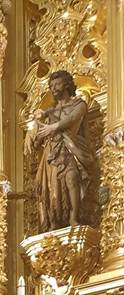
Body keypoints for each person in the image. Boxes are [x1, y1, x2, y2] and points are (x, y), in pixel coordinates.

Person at [25, 69, 95, 231]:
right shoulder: (49, 112)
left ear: (67, 84)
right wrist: (37, 123)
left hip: (70, 148)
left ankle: (73, 218)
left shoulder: (79, 104)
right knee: (51, 187)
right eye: (51, 86)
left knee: (71, 178)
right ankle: (54, 222)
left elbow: (72, 119)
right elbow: (38, 142)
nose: (54, 88)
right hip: (51, 152)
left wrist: (53, 126)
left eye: (57, 84)